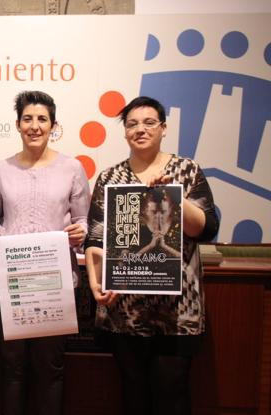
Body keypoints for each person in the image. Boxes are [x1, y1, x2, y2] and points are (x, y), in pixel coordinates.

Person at [84, 96, 219, 415]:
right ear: (124, 131)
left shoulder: (186, 170)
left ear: (163, 128)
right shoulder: (110, 178)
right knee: (133, 392)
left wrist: (173, 197)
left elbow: (207, 227)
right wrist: (95, 281)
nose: (140, 129)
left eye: (149, 123)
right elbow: (96, 236)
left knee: (172, 392)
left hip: (178, 312)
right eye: (132, 124)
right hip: (124, 309)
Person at [0, 91, 91, 415]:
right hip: (7, 282)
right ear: (17, 124)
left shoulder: (72, 168)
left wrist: (81, 232)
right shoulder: (0, 169)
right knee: (11, 367)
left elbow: (84, 220)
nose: (34, 126)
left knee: (50, 367)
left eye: (42, 119)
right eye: (27, 118)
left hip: (55, 282)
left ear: (53, 125)